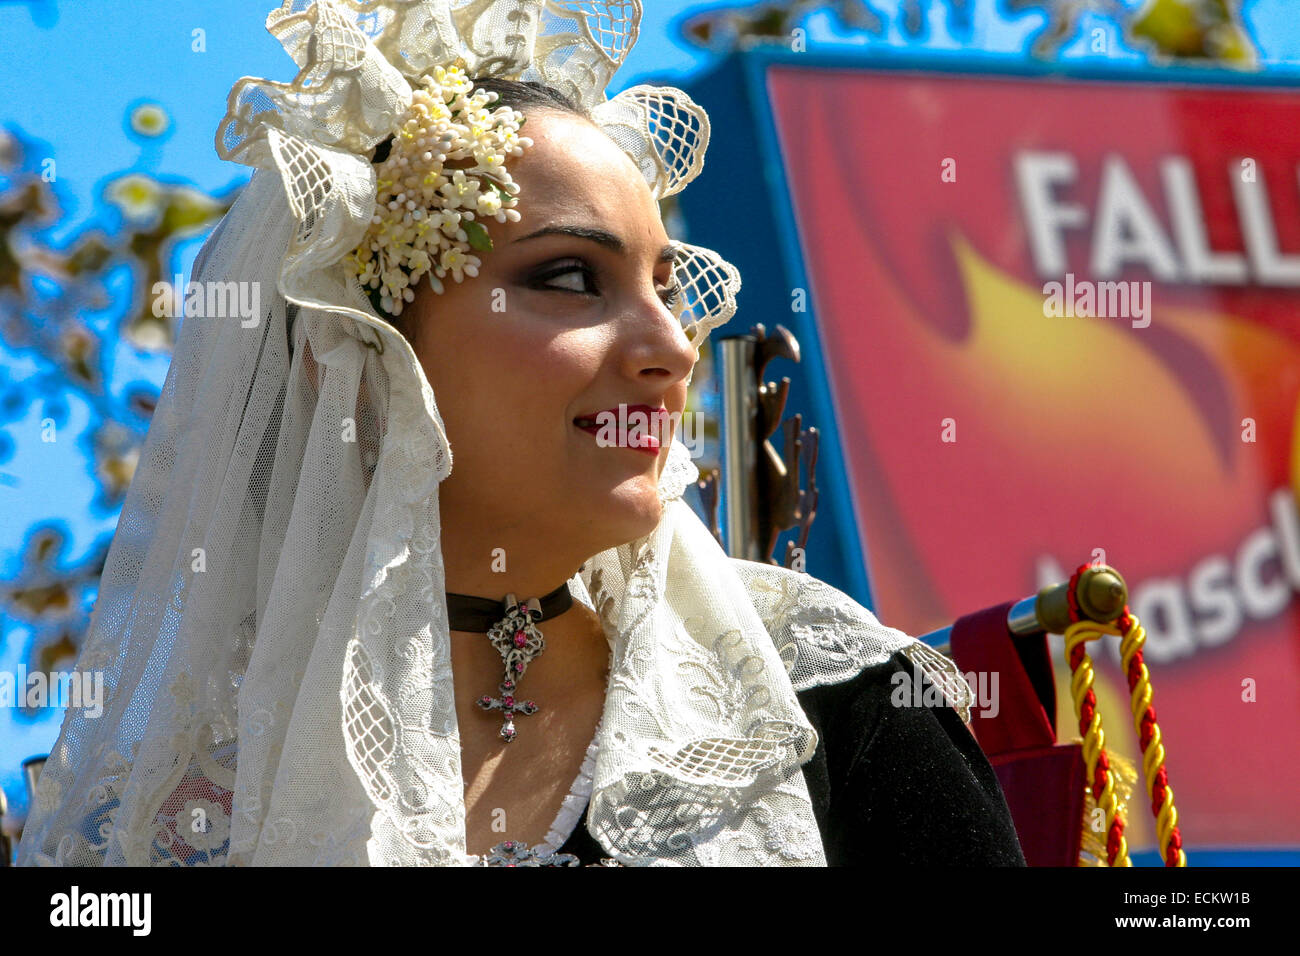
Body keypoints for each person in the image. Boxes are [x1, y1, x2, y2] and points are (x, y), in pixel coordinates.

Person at [16, 0, 1024, 867]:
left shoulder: (838, 715)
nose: (671, 347)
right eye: (571, 277)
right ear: (356, 357)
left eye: (665, 289)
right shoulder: (192, 811)